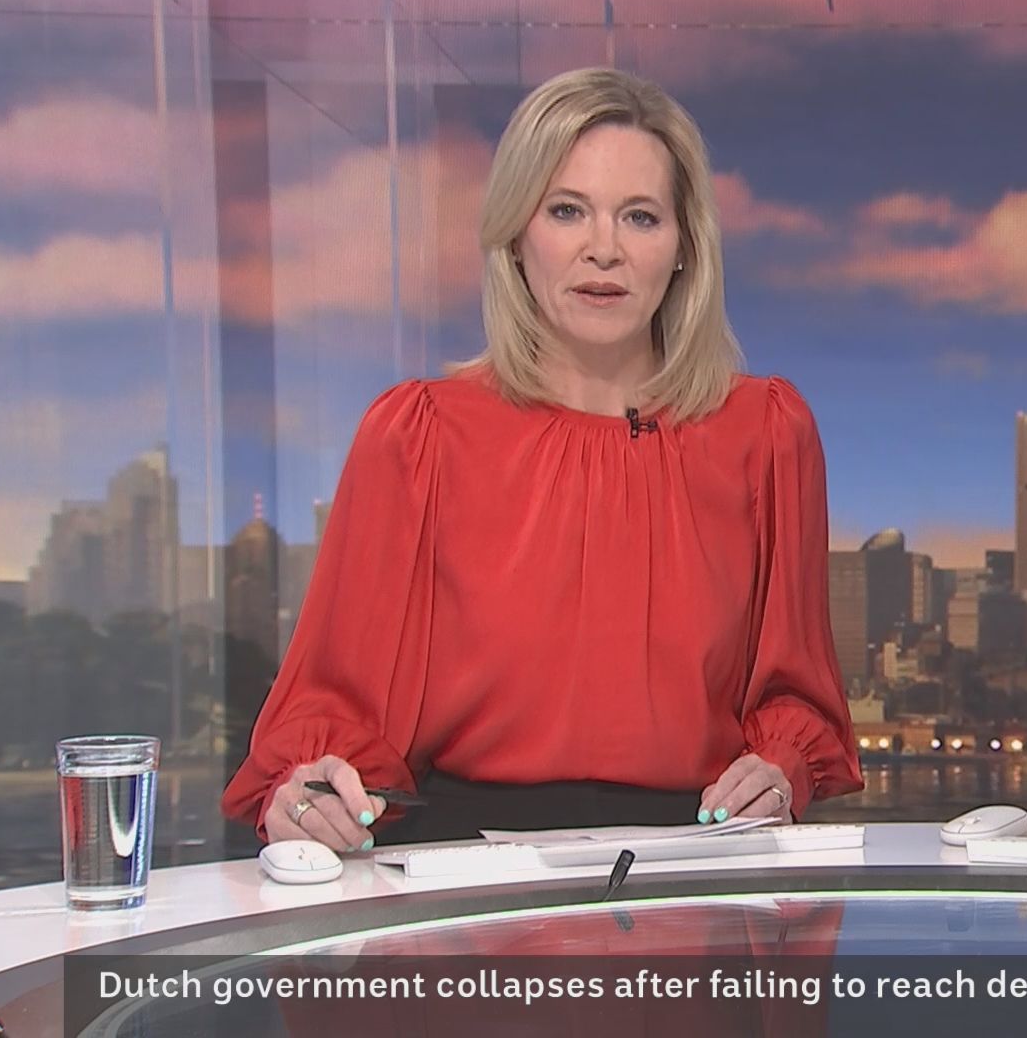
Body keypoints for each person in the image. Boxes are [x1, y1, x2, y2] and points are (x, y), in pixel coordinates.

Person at [221, 67, 861, 851]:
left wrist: (780, 770)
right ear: (517, 237)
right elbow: (335, 707)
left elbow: (795, 696)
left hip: (697, 858)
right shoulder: (419, 435)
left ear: (684, 248)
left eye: (640, 217)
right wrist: (312, 792)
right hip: (463, 866)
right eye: (567, 211)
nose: (604, 250)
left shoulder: (765, 433)